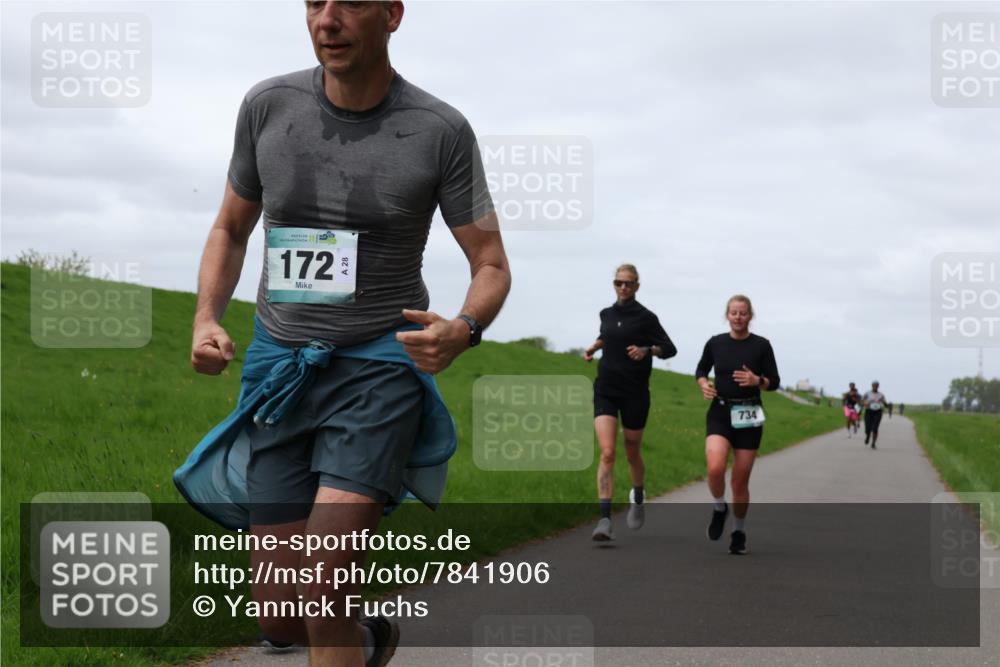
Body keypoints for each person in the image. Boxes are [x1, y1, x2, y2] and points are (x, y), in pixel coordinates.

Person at [179, 3, 511, 666]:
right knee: (280, 613)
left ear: (392, 14)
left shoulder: (439, 129)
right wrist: (206, 317)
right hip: (281, 367)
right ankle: (365, 637)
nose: (326, 19)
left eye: (349, 2)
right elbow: (230, 228)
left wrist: (464, 327)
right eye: (313, 2)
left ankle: (341, 628)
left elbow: (492, 264)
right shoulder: (267, 106)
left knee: (323, 588)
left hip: (376, 368)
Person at [583, 264, 677, 541]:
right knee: (608, 452)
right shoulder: (606, 314)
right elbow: (608, 334)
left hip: (635, 392)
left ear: (637, 286)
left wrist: (647, 350)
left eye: (629, 283)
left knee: (632, 450)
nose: (623, 287)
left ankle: (637, 495)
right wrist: (594, 346)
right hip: (606, 389)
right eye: (618, 282)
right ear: (614, 284)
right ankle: (604, 520)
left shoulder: (647, 318)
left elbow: (670, 348)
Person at [695, 295, 780, 555]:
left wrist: (758, 380)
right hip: (720, 411)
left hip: (749, 415)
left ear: (750, 316)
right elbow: (700, 371)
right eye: (733, 313)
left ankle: (738, 531)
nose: (738, 317)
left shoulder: (762, 346)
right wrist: (704, 386)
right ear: (727, 315)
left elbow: (774, 381)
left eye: (743, 313)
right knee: (715, 467)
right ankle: (720, 507)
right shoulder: (715, 343)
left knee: (740, 482)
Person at [863, 381, 888, 449]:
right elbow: (862, 401)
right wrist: (865, 404)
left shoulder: (881, 395)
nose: (875, 386)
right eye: (874, 385)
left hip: (878, 411)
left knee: (875, 428)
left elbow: (885, 403)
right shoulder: (867, 393)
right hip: (869, 411)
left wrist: (885, 404)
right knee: (867, 428)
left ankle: (873, 443)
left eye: (876, 385)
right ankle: (868, 436)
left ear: (878, 386)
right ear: (872, 385)